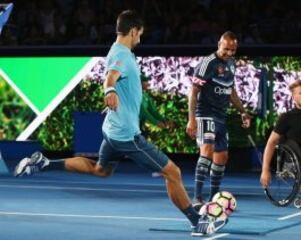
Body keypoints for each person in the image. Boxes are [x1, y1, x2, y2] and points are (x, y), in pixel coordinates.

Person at [14, 10, 227, 237]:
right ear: (133, 31)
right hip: (126, 135)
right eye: (140, 35)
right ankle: (198, 223)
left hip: (112, 130)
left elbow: (117, 80)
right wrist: (110, 90)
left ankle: (44, 163)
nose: (139, 40)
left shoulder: (118, 51)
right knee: (172, 172)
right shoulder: (123, 55)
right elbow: (110, 78)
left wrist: (116, 93)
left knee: (101, 170)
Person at [186, 31, 252, 209]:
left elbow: (231, 90)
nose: (229, 53)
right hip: (205, 113)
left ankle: (214, 197)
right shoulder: (207, 64)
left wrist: (243, 111)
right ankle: (197, 198)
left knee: (222, 158)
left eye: (233, 50)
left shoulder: (232, 63)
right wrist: (191, 120)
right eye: (226, 49)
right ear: (219, 44)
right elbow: (193, 93)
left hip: (221, 116)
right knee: (206, 151)